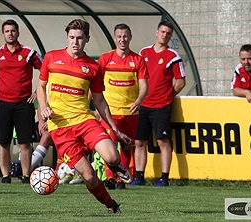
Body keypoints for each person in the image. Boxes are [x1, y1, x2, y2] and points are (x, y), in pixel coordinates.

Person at [37, 19, 133, 214]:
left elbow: (99, 101)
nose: (75, 42)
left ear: (87, 39)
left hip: (84, 120)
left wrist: (115, 130)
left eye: (80, 38)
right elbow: (40, 86)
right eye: (71, 37)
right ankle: (111, 205)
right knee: (89, 176)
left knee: (112, 156)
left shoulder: (93, 67)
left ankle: (114, 167)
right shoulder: (51, 58)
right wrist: (43, 107)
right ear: (67, 37)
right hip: (60, 128)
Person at [0, 19, 42, 184]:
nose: (10, 34)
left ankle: (25, 176)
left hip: (24, 103)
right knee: (3, 142)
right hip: (3, 104)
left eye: (13, 31)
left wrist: (37, 92)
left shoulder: (29, 52)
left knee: (25, 142)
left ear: (18, 33)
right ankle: (5, 176)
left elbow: (45, 70)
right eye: (7, 31)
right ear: (3, 34)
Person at [132, 20, 186, 187]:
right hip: (143, 105)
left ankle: (164, 177)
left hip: (161, 106)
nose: (164, 35)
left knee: (163, 141)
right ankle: (139, 176)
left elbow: (180, 82)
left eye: (168, 33)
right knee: (140, 141)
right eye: (162, 32)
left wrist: (167, 95)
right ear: (157, 32)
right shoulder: (144, 52)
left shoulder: (173, 56)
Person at [97, 23, 148, 190]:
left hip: (130, 112)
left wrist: (139, 100)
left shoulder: (138, 60)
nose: (122, 39)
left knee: (126, 145)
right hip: (109, 112)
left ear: (130, 37)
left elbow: (144, 85)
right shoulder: (105, 59)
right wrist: (94, 107)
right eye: (119, 36)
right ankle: (110, 178)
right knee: (109, 144)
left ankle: (121, 179)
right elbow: (95, 84)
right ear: (114, 38)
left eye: (125, 36)